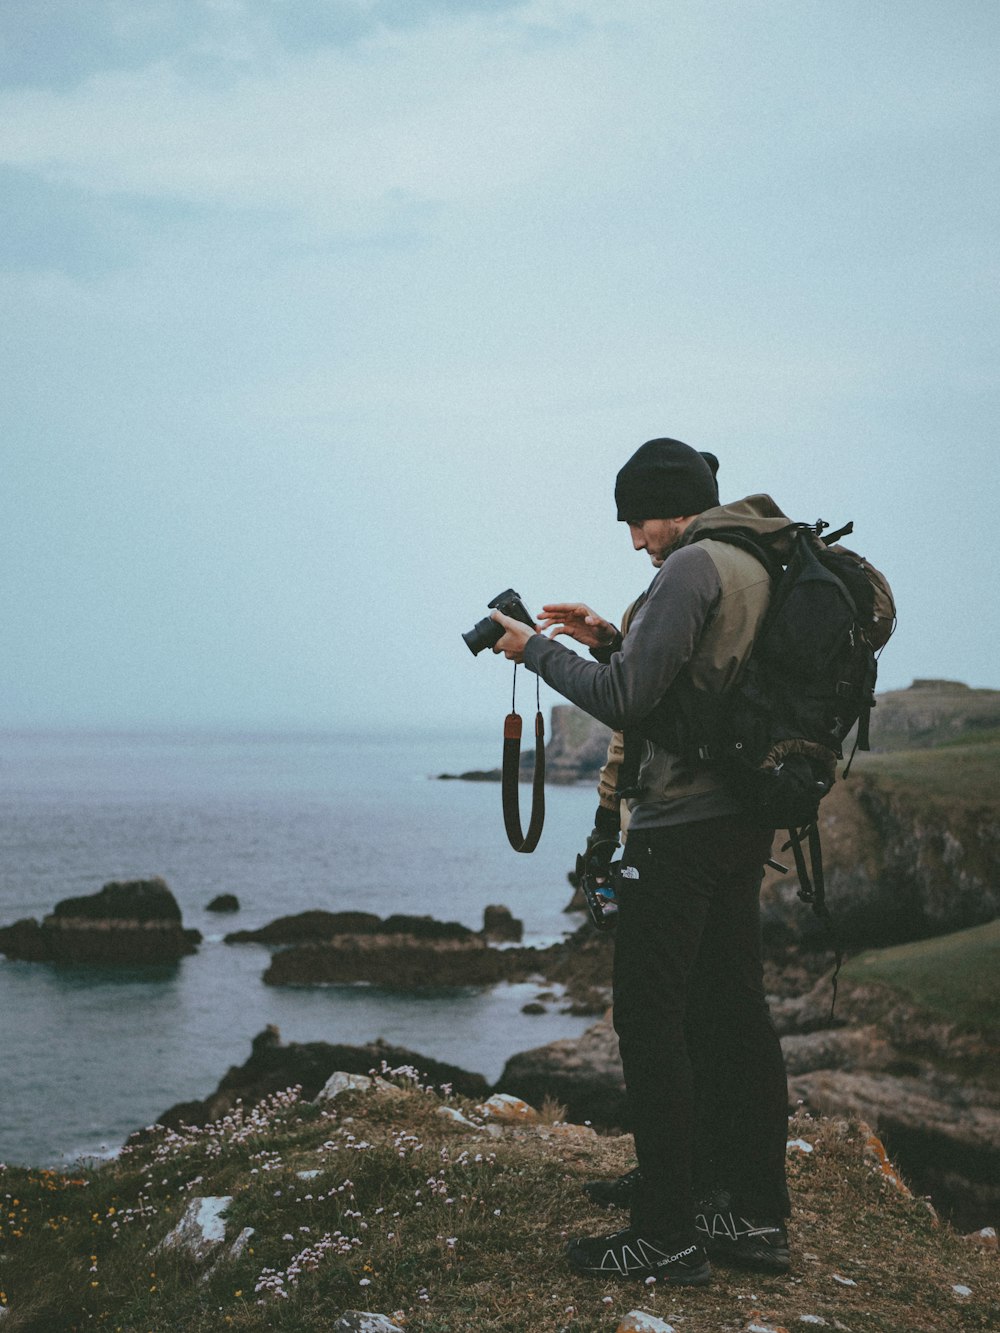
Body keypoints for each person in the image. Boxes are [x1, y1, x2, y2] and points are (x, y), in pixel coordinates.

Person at [491, 437, 792, 1286]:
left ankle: (665, 1231)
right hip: (740, 818)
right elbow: (695, 688)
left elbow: (628, 701)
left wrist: (535, 651)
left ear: (672, 505)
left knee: (650, 1021)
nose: (633, 540)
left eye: (637, 520)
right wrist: (612, 636)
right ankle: (749, 1210)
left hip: (680, 826)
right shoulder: (752, 558)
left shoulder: (693, 563)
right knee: (731, 1013)